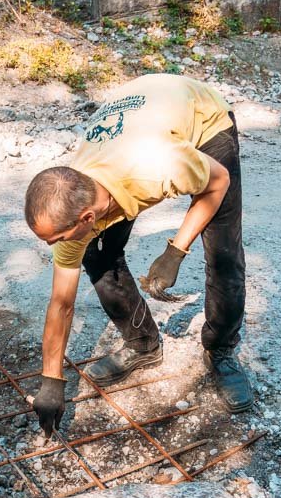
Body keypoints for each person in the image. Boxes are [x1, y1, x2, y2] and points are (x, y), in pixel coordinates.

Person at [24, 73, 253, 437]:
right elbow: (61, 302)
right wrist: (51, 379)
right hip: (136, 111)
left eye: (59, 238)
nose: (54, 246)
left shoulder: (156, 167)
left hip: (199, 116)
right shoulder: (71, 200)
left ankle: (221, 351)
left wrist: (175, 251)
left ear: (86, 218)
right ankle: (143, 344)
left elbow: (218, 181)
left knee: (223, 251)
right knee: (98, 257)